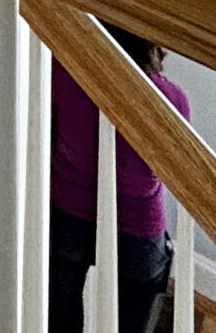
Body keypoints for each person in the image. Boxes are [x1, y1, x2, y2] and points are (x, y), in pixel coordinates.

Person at [51, 23, 189, 333]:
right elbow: (174, 173)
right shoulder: (173, 100)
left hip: (70, 211)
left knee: (60, 312)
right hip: (139, 228)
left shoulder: (67, 70)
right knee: (140, 309)